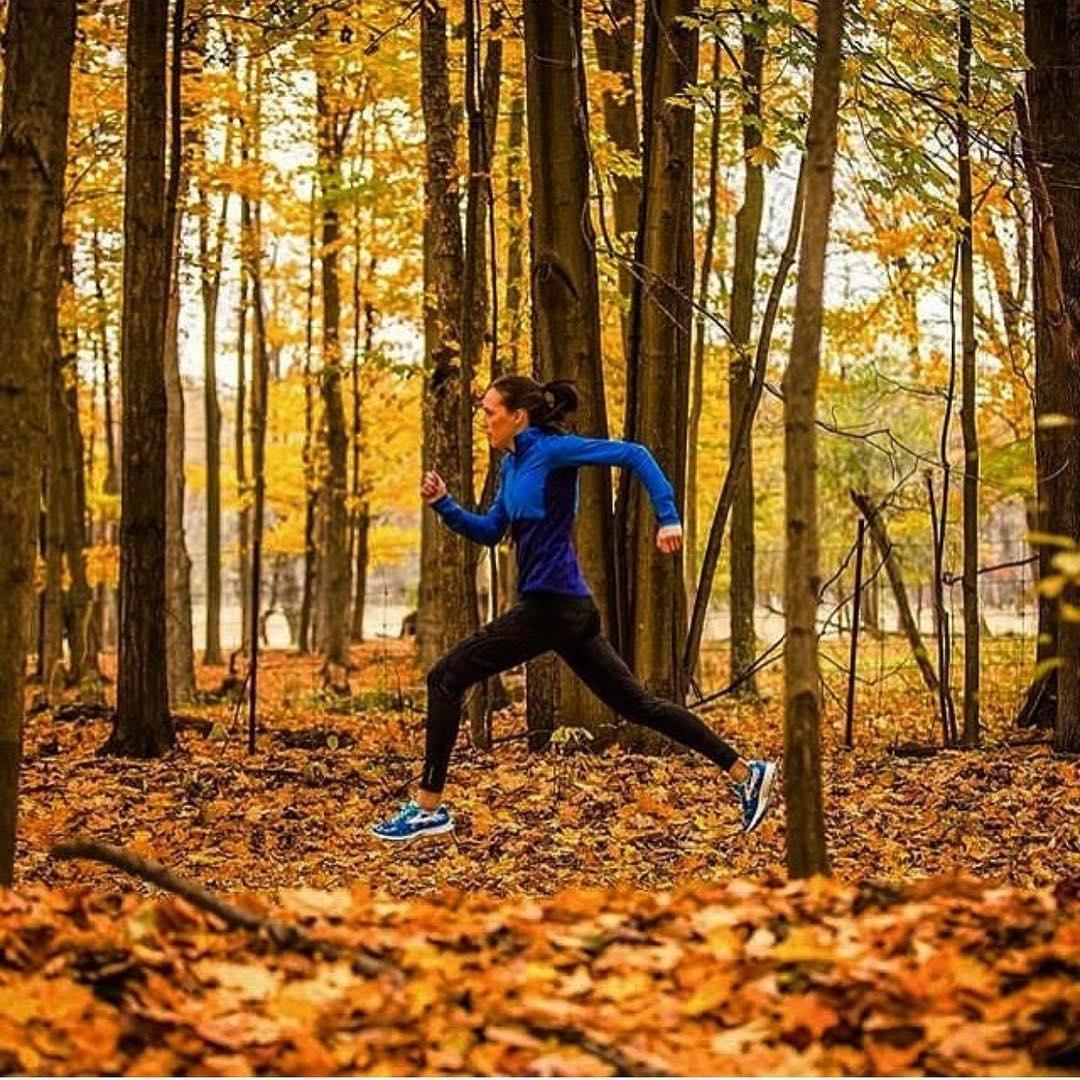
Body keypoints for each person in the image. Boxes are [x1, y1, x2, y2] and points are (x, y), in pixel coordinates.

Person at [372, 375, 778, 841]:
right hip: (566, 611)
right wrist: (444, 505)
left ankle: (428, 808)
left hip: (552, 607)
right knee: (638, 705)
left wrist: (667, 516)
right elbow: (491, 531)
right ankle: (746, 774)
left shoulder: (552, 451)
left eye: (490, 412)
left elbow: (634, 454)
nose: (484, 420)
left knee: (445, 676)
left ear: (517, 416)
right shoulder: (512, 467)